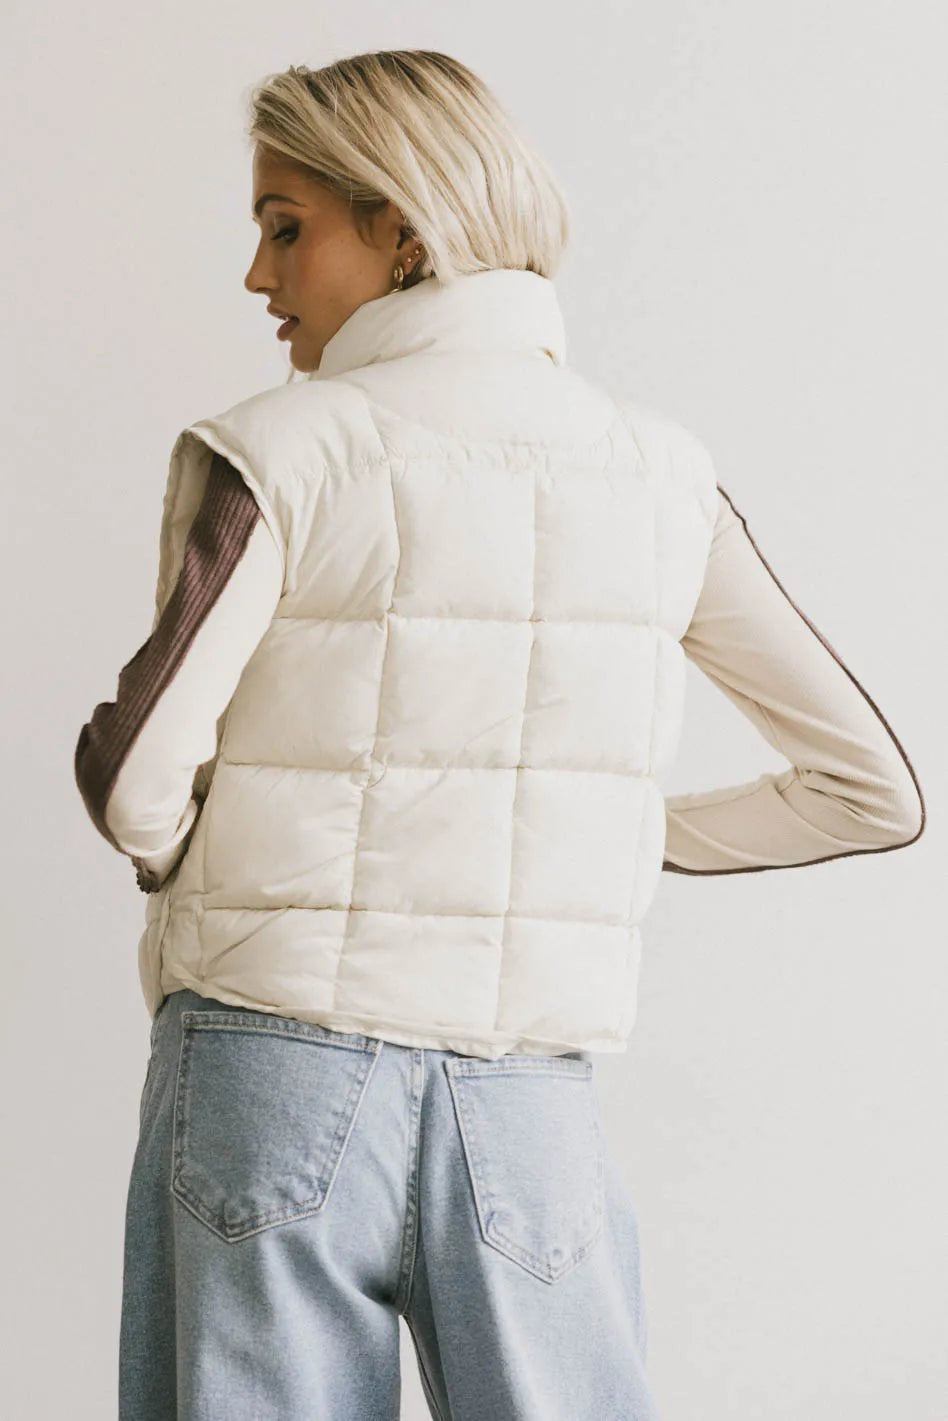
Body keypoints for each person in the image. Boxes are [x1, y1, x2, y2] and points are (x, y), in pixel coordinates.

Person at [74, 49, 926, 1421]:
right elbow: (870, 787)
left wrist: (196, 847)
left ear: (405, 231)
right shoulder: (664, 475)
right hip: (529, 1105)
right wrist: (594, 837)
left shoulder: (281, 451)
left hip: (272, 1067)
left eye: (286, 227)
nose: (257, 276)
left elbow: (134, 779)